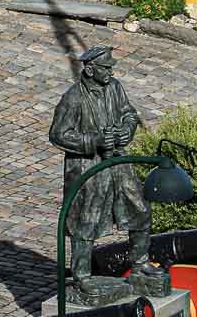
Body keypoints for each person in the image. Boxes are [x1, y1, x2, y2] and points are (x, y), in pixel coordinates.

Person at [49, 47, 158, 303]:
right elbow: (58, 134)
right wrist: (93, 140)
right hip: (88, 167)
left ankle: (140, 265)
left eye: (111, 67)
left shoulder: (115, 88)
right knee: (86, 221)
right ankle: (82, 277)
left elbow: (129, 113)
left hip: (118, 161)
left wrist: (127, 130)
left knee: (140, 210)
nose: (111, 71)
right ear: (89, 69)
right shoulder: (73, 98)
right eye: (105, 68)